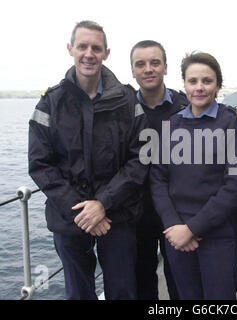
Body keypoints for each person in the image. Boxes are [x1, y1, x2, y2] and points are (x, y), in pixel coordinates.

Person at [28, 20, 148, 300]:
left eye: (96, 47)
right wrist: (84, 212)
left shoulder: (129, 101)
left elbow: (140, 159)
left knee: (122, 291)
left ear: (107, 53)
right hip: (70, 218)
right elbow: (40, 163)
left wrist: (103, 204)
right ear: (70, 49)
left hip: (116, 217)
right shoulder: (50, 103)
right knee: (78, 293)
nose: (89, 53)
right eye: (82, 46)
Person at [150, 52, 237, 299]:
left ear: (217, 84)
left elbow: (235, 185)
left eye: (207, 81)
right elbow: (158, 179)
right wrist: (173, 224)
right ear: (184, 84)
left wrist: (193, 228)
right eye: (193, 81)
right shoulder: (171, 125)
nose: (200, 87)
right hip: (178, 234)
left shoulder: (232, 123)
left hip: (217, 235)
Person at [130, 40, 188, 300]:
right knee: (142, 280)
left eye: (155, 62)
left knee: (180, 279)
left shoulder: (186, 107)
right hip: (137, 212)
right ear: (132, 71)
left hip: (178, 212)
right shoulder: (122, 109)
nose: (148, 69)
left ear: (165, 67)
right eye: (140, 64)